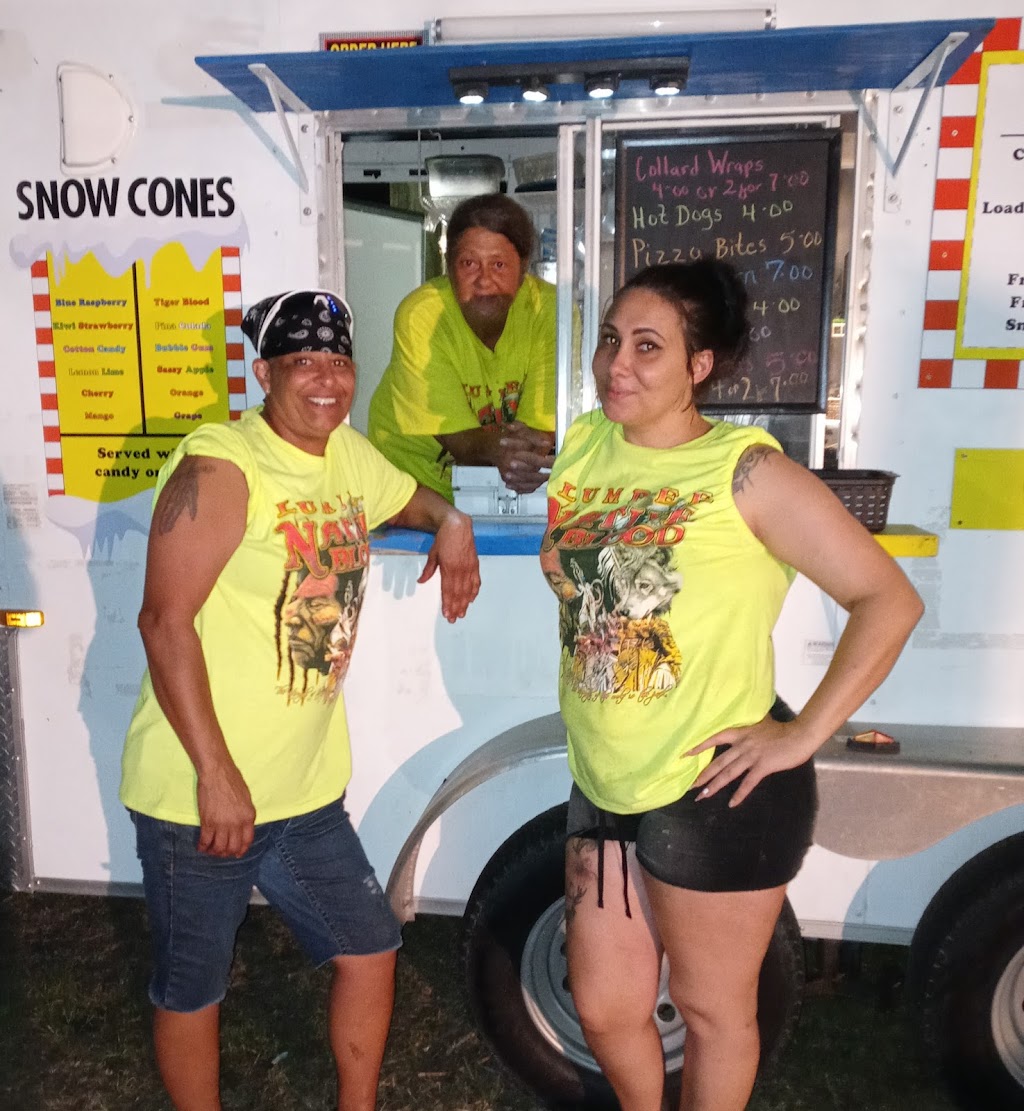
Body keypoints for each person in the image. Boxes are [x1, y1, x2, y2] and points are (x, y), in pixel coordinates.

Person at [539, 261, 924, 1111]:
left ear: (700, 365)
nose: (616, 364)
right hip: (604, 776)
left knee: (712, 1010)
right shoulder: (586, 445)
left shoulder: (746, 471)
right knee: (604, 1005)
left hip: (715, 788)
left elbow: (888, 600)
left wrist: (803, 732)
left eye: (648, 346)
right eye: (610, 340)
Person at [120, 288, 480, 1111]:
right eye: (303, 361)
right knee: (193, 987)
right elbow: (163, 622)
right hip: (200, 794)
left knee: (370, 947)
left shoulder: (345, 454)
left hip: (304, 792)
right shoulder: (223, 464)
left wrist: (451, 520)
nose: (327, 379)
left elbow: (406, 497)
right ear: (265, 373)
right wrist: (216, 774)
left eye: (338, 360)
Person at [367, 192, 556, 503]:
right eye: (469, 263)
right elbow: (461, 443)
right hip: (410, 486)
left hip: (500, 490)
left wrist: (528, 450)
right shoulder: (422, 316)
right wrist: (514, 450)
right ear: (449, 266)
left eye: (499, 264)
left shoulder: (549, 310)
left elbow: (541, 426)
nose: (484, 280)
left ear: (523, 268)